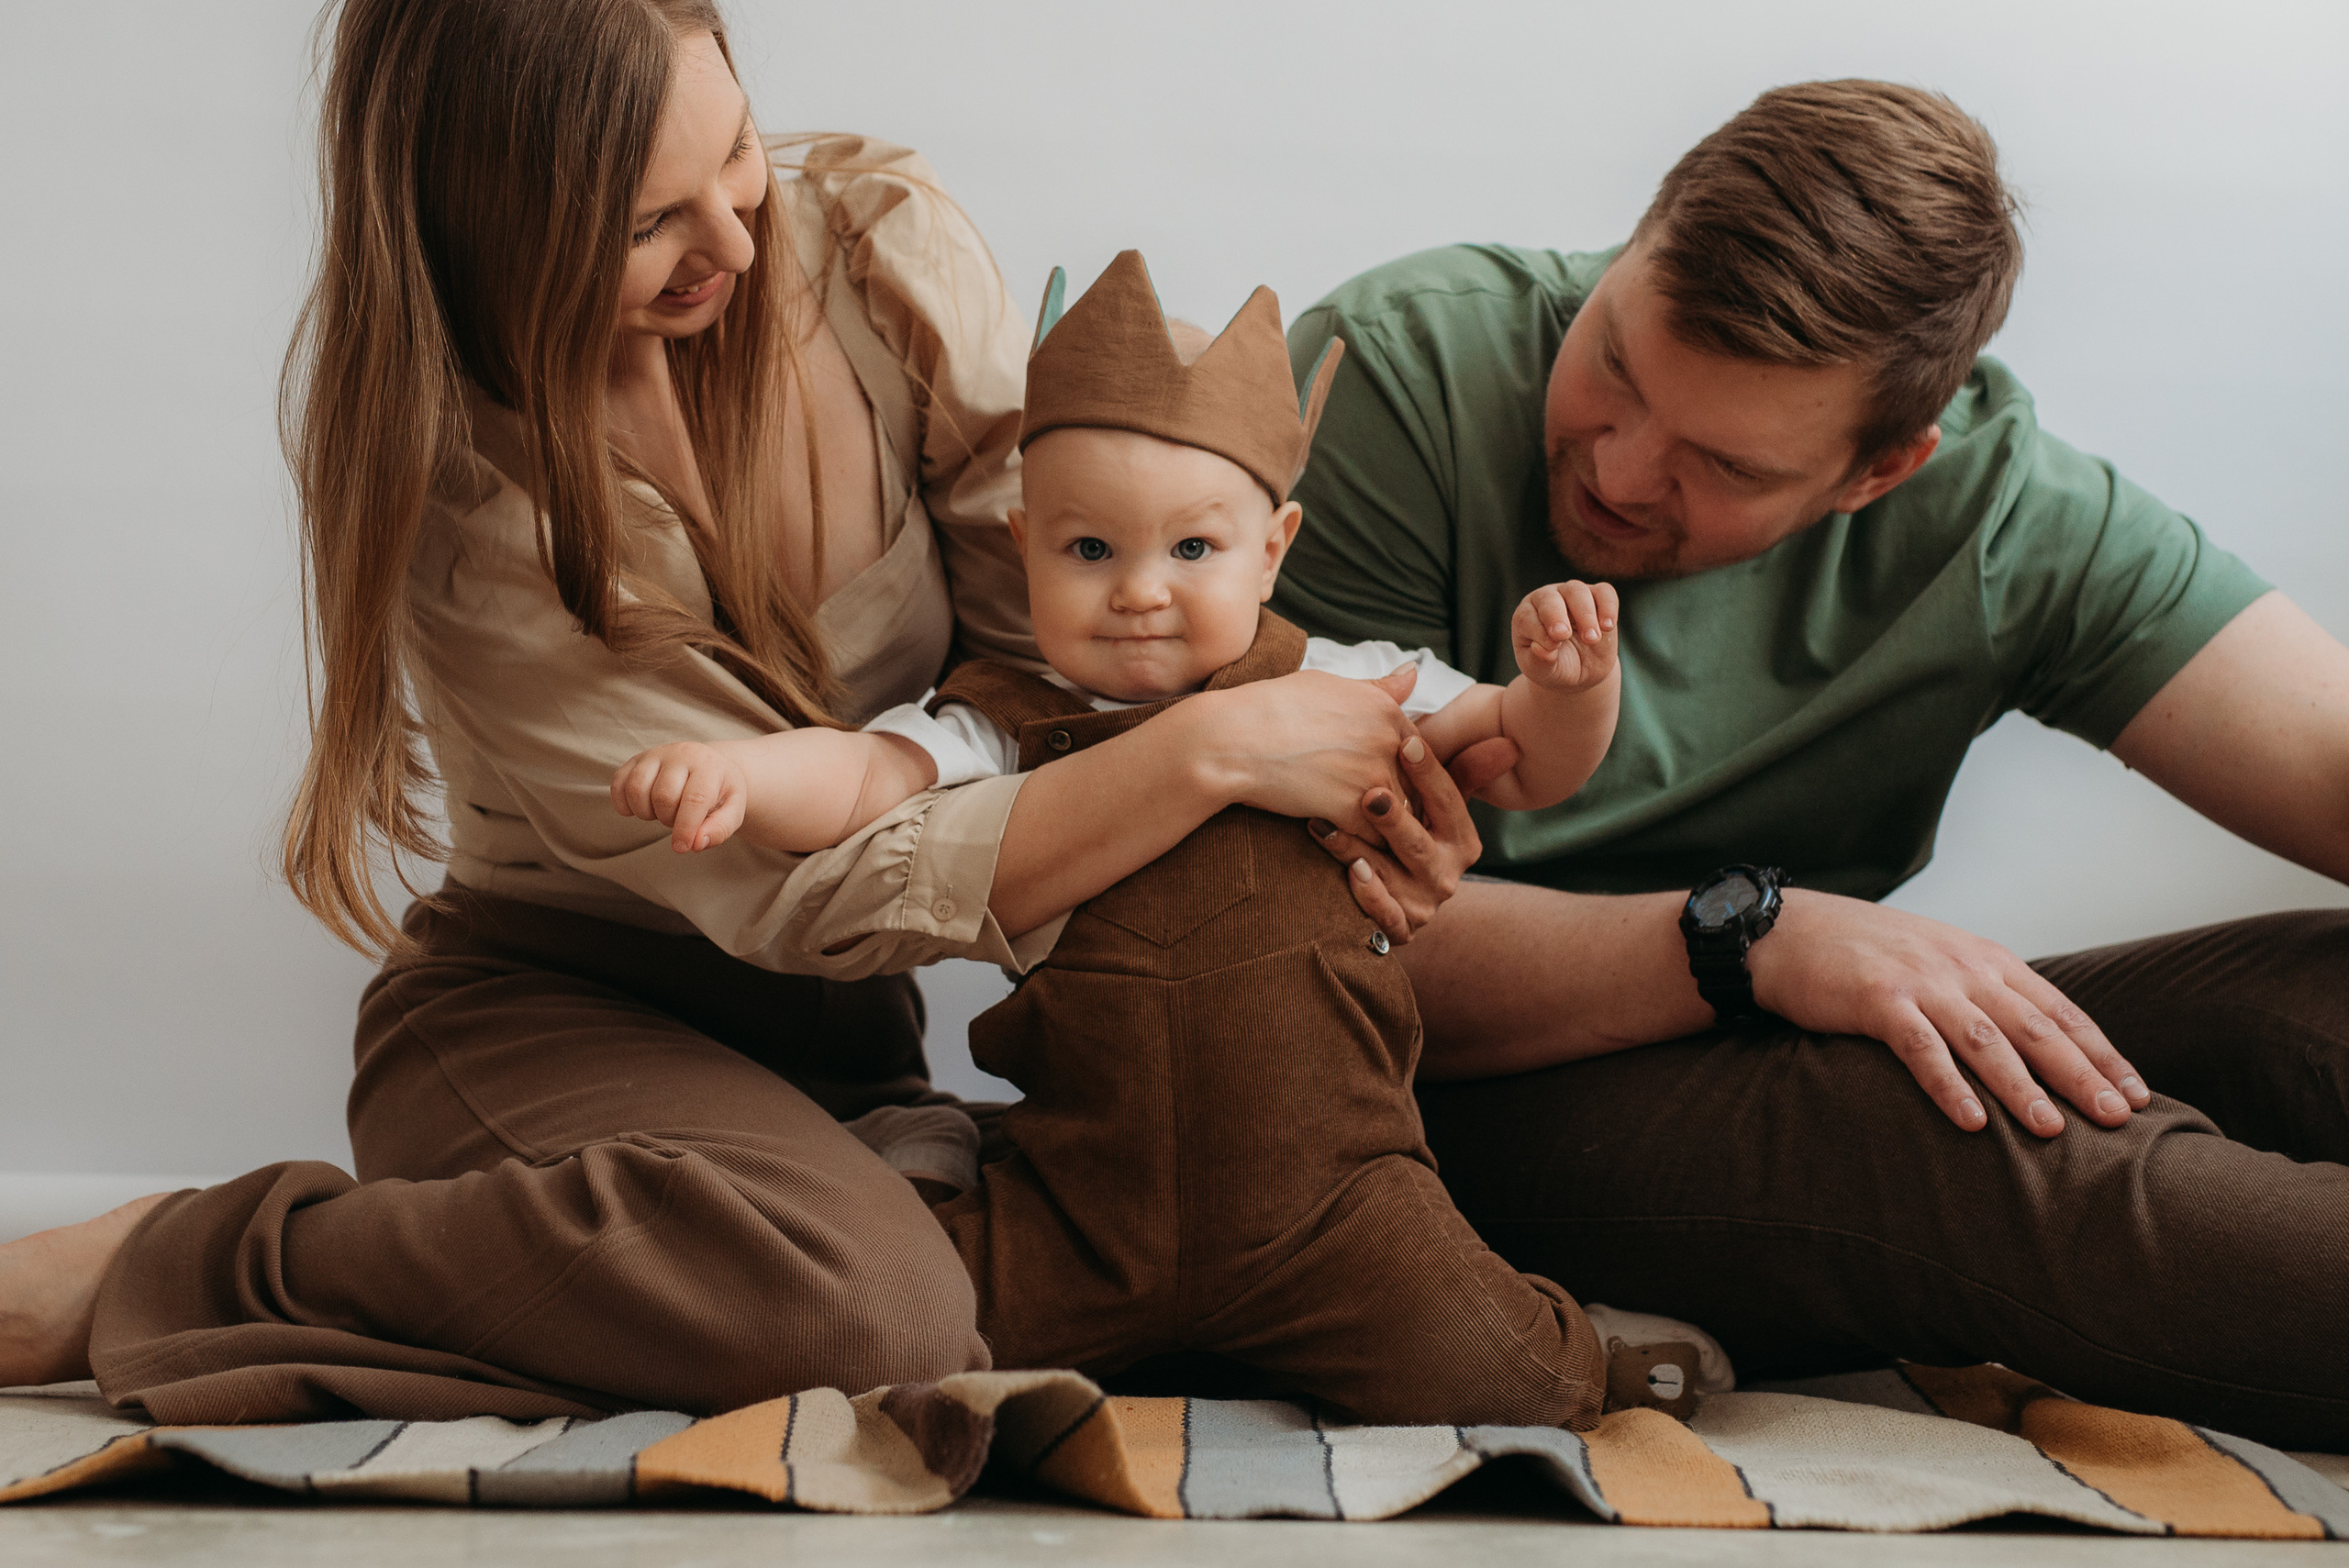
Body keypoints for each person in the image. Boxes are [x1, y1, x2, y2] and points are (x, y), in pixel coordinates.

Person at [0, 0, 1485, 1423]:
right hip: (564, 1010)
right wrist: (1219, 751)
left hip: (843, 1052)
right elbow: (818, 887)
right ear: (484, 221)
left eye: (733, 151)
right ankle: (192, 1258)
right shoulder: (476, 510)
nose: (735, 232)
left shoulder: (875, 246)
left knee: (1143, 1232)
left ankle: (670, 1247)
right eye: (647, 221)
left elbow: (1062, 665)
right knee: (878, 1319)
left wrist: (1338, 791)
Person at [1273, 79, 2349, 1448]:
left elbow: (2328, 752)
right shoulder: (1395, 374)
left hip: (1772, 1028)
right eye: (1616, 356)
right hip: (1427, 1106)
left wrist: (1779, 957)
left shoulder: (2000, 508)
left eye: (1720, 460)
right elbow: (1292, 948)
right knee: (1964, 1145)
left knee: (2308, 1003)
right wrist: (1748, 944)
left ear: (1877, 472)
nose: (1617, 464)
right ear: (1638, 241)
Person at [610, 249, 1635, 1427]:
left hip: (1332, 1203)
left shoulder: (1353, 687)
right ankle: (936, 1169)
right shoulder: (1000, 718)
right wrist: (733, 770)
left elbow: (1518, 750)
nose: (1139, 590)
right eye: (1089, 549)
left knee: (1516, 1385)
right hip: (1078, 1208)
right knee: (891, 1354)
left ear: (1275, 545)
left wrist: (1568, 689)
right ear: (1024, 541)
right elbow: (860, 776)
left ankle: (1603, 1341)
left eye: (1191, 550)